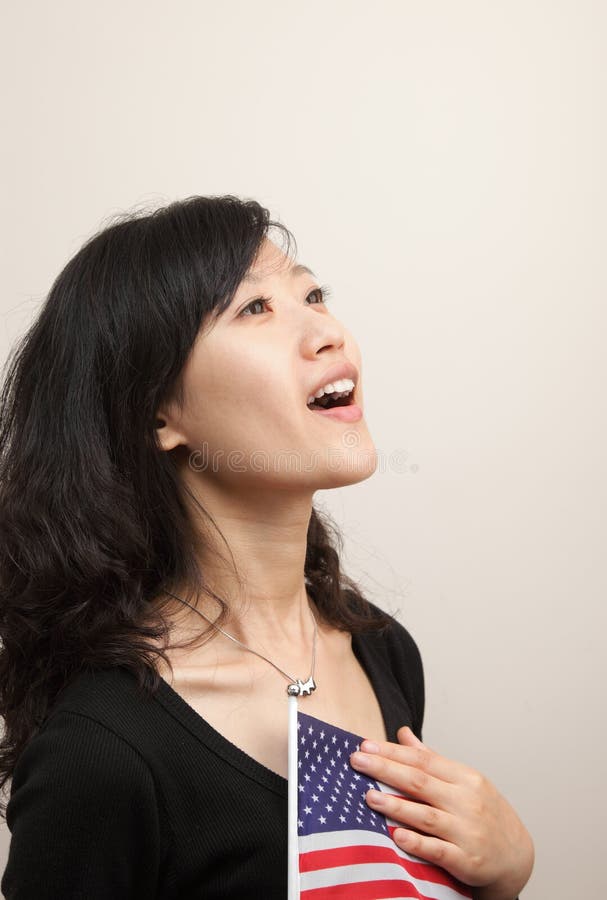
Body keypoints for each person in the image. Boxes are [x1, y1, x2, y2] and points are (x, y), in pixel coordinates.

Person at [0, 195, 534, 899]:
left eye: (312, 293)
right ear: (159, 413)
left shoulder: (383, 652)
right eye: (255, 308)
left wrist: (505, 876)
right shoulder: (102, 752)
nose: (326, 332)